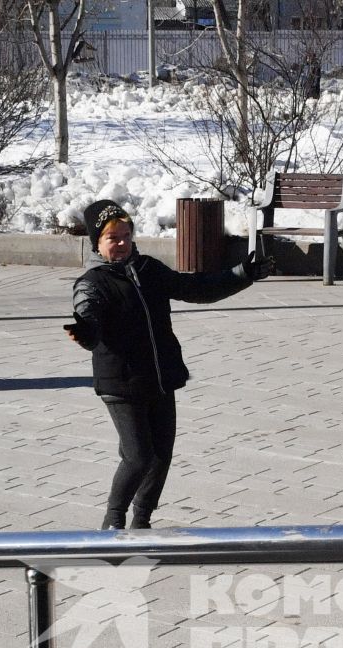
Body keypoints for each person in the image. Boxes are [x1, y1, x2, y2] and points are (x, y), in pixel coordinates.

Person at [66, 199, 271, 530]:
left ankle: (142, 520)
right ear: (96, 244)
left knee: (161, 456)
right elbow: (90, 317)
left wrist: (242, 274)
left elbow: (196, 289)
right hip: (121, 384)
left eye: (125, 236)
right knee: (137, 457)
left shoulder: (149, 269)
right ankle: (113, 519)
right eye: (111, 238)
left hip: (159, 378)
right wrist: (87, 332)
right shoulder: (92, 283)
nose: (120, 243)